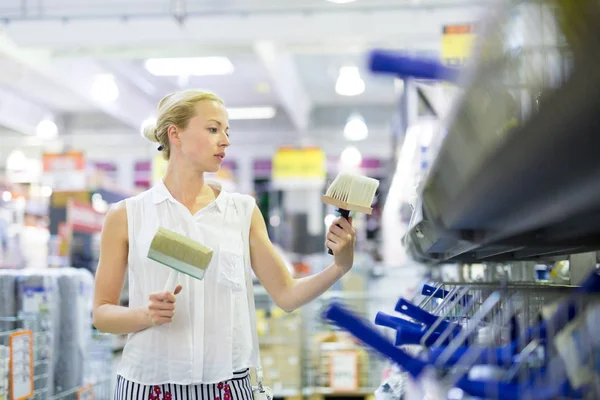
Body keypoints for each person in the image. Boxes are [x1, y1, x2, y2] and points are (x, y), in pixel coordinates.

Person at [92, 89, 357, 400]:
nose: (226, 141)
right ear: (175, 134)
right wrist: (145, 315)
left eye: (227, 131)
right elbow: (102, 314)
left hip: (227, 387)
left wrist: (340, 266)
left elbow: (286, 295)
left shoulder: (241, 212)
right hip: (148, 384)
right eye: (213, 129)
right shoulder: (127, 215)